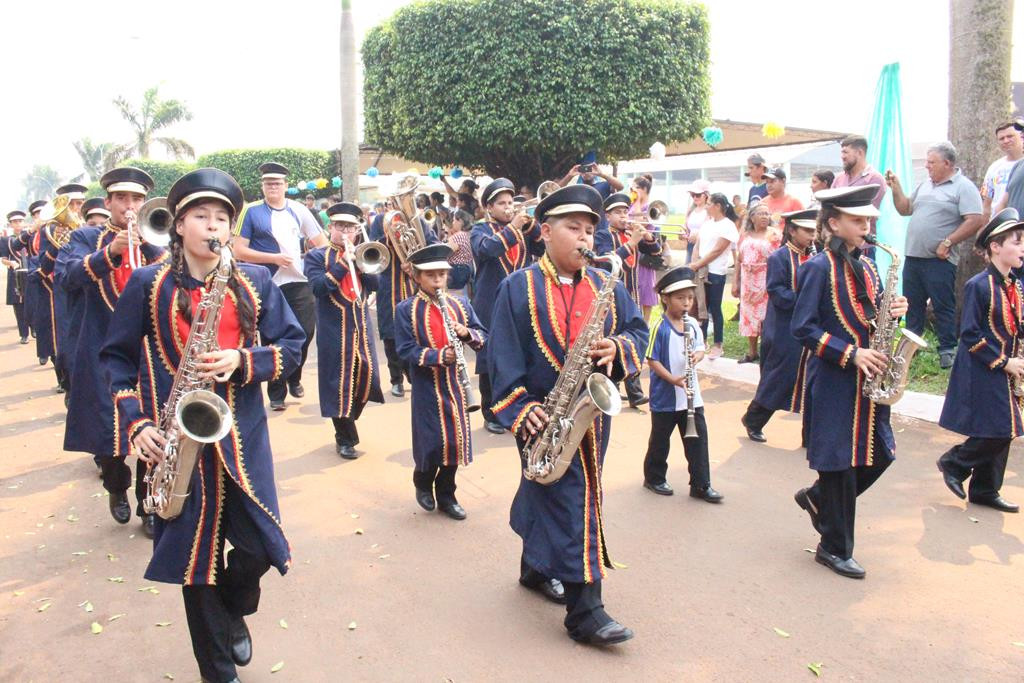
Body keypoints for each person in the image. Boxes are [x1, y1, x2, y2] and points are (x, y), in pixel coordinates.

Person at [100, 167, 305, 683]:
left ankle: (235, 605)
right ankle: (218, 671)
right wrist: (138, 424)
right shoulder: (149, 284)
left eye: (221, 218)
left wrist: (245, 360)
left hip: (242, 438)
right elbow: (115, 359)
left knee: (260, 547)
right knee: (195, 565)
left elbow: (292, 347)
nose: (212, 226)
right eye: (201, 216)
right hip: (173, 443)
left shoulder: (254, 280)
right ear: (179, 225)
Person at [488, 184, 648, 646]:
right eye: (573, 228)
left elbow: (638, 329)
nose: (585, 239)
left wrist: (618, 346)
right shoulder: (516, 286)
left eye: (590, 231)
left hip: (591, 416)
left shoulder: (605, 284)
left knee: (559, 495)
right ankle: (586, 613)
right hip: (541, 414)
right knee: (571, 501)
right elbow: (503, 355)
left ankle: (534, 568)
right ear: (544, 232)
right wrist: (520, 408)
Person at [791, 184, 909, 579]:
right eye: (858, 221)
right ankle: (833, 547)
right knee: (840, 463)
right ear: (834, 223)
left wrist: (895, 312)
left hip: (869, 381)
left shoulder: (872, 265)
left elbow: (873, 319)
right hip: (834, 379)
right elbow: (803, 328)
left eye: (869, 221)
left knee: (881, 454)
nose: (866, 227)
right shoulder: (817, 268)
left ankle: (818, 498)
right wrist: (851, 353)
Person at [57, 167, 165, 535]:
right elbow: (66, 277)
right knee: (109, 431)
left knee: (153, 428)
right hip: (102, 350)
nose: (130, 207)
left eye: (137, 199)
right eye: (122, 199)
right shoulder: (87, 237)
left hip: (151, 354)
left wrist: (149, 243)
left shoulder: (158, 237)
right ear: (109, 202)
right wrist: (109, 253)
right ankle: (116, 488)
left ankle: (148, 504)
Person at [936, 208, 1024, 514]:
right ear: (996, 247)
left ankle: (986, 489)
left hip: (1006, 368)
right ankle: (954, 462)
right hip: (982, 367)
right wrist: (1004, 362)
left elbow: (1016, 325)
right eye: (1017, 241)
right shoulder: (979, 285)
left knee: (1003, 427)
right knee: (1003, 427)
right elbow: (970, 335)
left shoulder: (1015, 285)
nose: (1022, 247)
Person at [395, 243, 486, 520]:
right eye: (431, 275)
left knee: (455, 441)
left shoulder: (461, 304)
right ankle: (422, 482)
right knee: (431, 440)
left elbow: (483, 335)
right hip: (427, 385)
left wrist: (467, 333)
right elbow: (405, 349)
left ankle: (447, 493)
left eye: (442, 275)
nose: (437, 281)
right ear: (417, 277)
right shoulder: (406, 308)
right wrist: (437, 355)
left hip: (457, 385)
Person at [233, 161, 326, 409]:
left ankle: (293, 376)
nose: (272, 187)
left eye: (277, 183)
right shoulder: (251, 212)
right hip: (268, 282)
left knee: (305, 333)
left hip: (299, 280)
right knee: (273, 336)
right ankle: (276, 393)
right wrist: (273, 259)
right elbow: (239, 249)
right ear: (262, 187)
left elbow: (321, 242)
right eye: (267, 183)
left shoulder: (299, 210)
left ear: (286, 185)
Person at [886, 142, 984, 369]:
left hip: (939, 260)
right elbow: (905, 209)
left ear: (947, 163)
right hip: (914, 256)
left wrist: (948, 241)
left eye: (932, 162)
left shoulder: (963, 187)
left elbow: (975, 219)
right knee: (913, 303)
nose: (927, 166)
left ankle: (947, 348)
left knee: (943, 304)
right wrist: (896, 188)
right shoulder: (925, 185)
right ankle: (910, 347)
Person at [304, 202, 384, 459]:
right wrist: (341, 264)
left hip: (360, 326)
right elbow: (318, 288)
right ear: (331, 228)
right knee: (337, 384)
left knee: (366, 376)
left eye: (350, 227)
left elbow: (375, 284)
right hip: (333, 331)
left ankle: (349, 420)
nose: (345, 231)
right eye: (340, 226)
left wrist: (360, 262)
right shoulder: (317, 256)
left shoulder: (364, 252)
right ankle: (345, 437)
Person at [470, 177, 545, 435]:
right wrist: (513, 227)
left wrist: (531, 225)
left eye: (510, 202)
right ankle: (490, 412)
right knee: (490, 357)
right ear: (489, 208)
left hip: (521, 300)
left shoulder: (520, 229)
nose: (508, 207)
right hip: (489, 303)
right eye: (501, 203)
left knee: (521, 353)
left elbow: (544, 247)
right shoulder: (479, 230)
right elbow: (487, 250)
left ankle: (519, 408)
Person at [642, 266, 722, 502]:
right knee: (660, 440)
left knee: (698, 440)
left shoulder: (693, 325)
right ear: (665, 299)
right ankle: (654, 477)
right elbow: (652, 359)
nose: (686, 302)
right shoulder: (660, 328)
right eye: (680, 298)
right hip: (666, 396)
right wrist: (672, 379)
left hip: (691, 396)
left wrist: (697, 356)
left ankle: (700, 484)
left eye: (689, 297)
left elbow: (699, 347)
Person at [741, 209, 817, 443]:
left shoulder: (816, 256)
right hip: (784, 327)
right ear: (792, 231)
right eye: (806, 231)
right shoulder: (779, 257)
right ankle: (753, 419)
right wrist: (808, 299)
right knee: (780, 375)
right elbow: (777, 292)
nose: (811, 236)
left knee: (813, 380)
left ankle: (811, 435)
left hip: (811, 327)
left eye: (814, 231)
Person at [367, 183, 439, 399]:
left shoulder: (418, 219)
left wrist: (417, 260)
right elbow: (373, 248)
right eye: (393, 200)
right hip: (389, 282)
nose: (395, 204)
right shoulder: (381, 220)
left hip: (415, 283)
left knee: (415, 329)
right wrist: (388, 241)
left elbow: (433, 243)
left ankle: (412, 374)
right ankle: (395, 378)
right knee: (390, 333)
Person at [595, 191, 662, 407]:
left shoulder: (630, 234)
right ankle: (611, 389)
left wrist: (648, 237)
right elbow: (606, 262)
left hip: (632, 295)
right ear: (608, 216)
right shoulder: (603, 235)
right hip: (610, 297)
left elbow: (655, 252)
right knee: (613, 340)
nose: (624, 216)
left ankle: (634, 393)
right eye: (618, 212)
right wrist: (631, 243)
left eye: (625, 211)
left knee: (631, 339)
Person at [37, 183, 88, 394]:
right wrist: (55, 245)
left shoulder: (92, 227)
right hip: (62, 289)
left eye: (79, 203)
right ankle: (67, 383)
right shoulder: (48, 231)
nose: (75, 209)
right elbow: (44, 266)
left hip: (87, 288)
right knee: (66, 339)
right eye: (72, 204)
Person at [689, 193, 739, 359]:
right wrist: (695, 262)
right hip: (701, 271)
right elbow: (697, 245)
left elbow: (718, 250)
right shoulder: (707, 224)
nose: (707, 206)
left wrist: (698, 264)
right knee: (701, 307)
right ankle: (701, 342)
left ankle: (718, 343)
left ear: (718, 206)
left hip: (715, 272)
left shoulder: (728, 225)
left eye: (709, 203)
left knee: (715, 308)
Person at [732, 201, 781, 363]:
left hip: (767, 280)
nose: (765, 217)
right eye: (761, 214)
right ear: (752, 217)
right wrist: (735, 282)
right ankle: (752, 352)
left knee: (766, 317)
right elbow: (739, 259)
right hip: (748, 281)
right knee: (749, 316)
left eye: (767, 214)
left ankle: (767, 351)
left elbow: (781, 259)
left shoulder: (774, 234)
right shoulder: (746, 235)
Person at [831, 135, 886, 250]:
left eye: (846, 152)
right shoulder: (839, 178)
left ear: (860, 153)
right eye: (842, 153)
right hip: (837, 244)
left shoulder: (874, 179)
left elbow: (867, 214)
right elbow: (829, 207)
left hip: (862, 247)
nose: (842, 157)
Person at [629, 174, 660, 321]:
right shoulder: (632, 205)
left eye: (635, 188)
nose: (632, 191)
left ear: (644, 189)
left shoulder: (650, 207)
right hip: (631, 251)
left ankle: (645, 325)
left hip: (645, 252)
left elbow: (640, 222)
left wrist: (638, 201)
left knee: (646, 288)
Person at [982, 121, 1024, 221]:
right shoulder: (995, 167)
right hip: (1005, 225)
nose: (1006, 141)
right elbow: (988, 202)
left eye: (1010, 136)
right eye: (1001, 138)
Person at [0, 210, 29, 343]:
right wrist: (10, 263)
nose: (18, 224)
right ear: (10, 224)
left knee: (33, 301)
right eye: (15, 222)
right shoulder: (6, 240)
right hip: (15, 274)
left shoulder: (30, 236)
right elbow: (3, 259)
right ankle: (23, 333)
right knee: (18, 305)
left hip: (30, 272)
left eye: (20, 221)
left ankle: (34, 327)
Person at [556, 151, 624, 200]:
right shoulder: (574, 188)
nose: (587, 172)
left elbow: (620, 187)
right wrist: (569, 176)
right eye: (583, 169)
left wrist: (602, 174)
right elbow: (554, 191)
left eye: (589, 168)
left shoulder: (604, 185)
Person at [445, 209, 474, 291]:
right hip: (464, 269)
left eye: (454, 220)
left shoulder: (459, 235)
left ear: (460, 221)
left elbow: (447, 252)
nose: (453, 223)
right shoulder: (468, 235)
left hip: (456, 270)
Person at [684, 180, 711, 262]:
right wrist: (682, 233)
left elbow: (710, 229)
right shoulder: (690, 210)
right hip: (690, 246)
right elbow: (685, 227)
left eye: (698, 195)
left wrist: (698, 235)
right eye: (693, 195)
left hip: (704, 247)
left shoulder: (710, 210)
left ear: (706, 195)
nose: (695, 197)